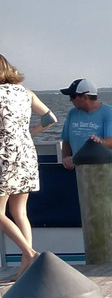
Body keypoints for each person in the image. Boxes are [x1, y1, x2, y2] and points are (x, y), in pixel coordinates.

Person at [0, 54, 58, 279]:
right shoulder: (25, 92)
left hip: (3, 153)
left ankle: (30, 253)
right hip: (25, 153)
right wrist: (29, 132)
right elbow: (50, 118)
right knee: (19, 211)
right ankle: (27, 267)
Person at [59, 78, 112, 168]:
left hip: (109, 169)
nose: (70, 100)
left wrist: (100, 142)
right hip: (82, 170)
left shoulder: (111, 112)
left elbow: (111, 142)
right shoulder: (72, 113)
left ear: (85, 97)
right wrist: (66, 158)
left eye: (72, 96)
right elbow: (66, 141)